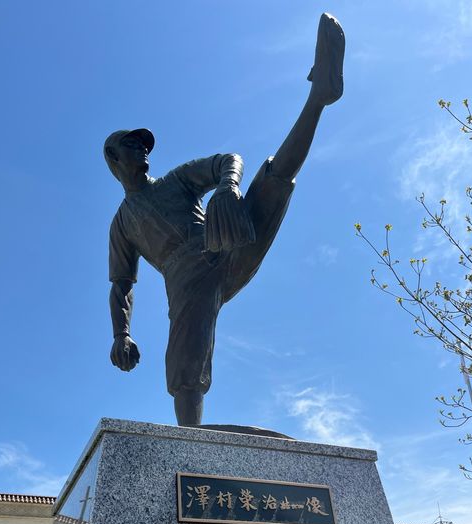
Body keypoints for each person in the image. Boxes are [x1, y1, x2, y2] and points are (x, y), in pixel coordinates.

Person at [105, 13, 345, 425]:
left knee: (273, 178)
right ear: (114, 157)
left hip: (224, 240)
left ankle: (319, 96)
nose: (143, 150)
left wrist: (228, 186)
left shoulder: (177, 180)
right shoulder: (123, 223)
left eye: (144, 145)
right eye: (132, 145)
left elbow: (227, 160)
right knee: (184, 367)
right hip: (186, 277)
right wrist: (121, 334)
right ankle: (194, 457)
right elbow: (122, 286)